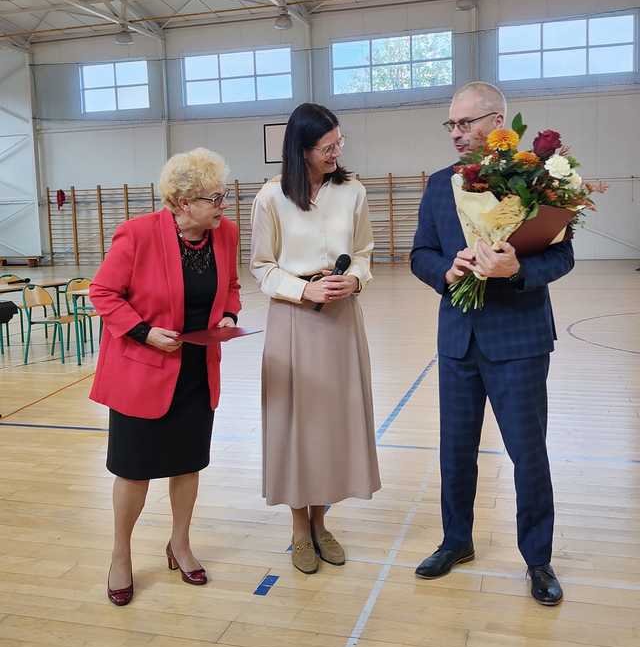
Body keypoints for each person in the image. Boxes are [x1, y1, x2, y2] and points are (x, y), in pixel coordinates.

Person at [410, 82, 574, 606]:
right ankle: (456, 540)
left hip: (519, 340)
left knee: (528, 454)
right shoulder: (438, 186)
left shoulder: (536, 181)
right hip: (458, 339)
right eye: (451, 125)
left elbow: (563, 256)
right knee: (455, 451)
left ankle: (538, 559)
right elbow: (420, 255)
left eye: (466, 123)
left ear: (498, 121)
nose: (457, 134)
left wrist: (518, 266)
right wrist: (446, 268)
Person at [89, 148, 241, 606]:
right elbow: (103, 292)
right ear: (181, 203)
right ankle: (120, 554)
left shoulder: (225, 233)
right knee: (134, 472)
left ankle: (180, 542)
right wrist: (143, 332)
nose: (223, 206)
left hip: (196, 370)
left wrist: (230, 315)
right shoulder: (137, 235)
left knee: (187, 464)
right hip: (143, 372)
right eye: (214, 198)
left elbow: (231, 285)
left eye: (223, 195)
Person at [250, 103, 380, 574]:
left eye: (339, 143)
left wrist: (356, 281)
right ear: (300, 150)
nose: (336, 152)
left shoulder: (354, 192)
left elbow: (364, 253)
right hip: (293, 319)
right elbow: (261, 267)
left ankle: (322, 521)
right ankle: (298, 527)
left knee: (333, 423)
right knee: (295, 424)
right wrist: (303, 289)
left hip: (341, 319)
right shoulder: (270, 198)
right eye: (327, 147)